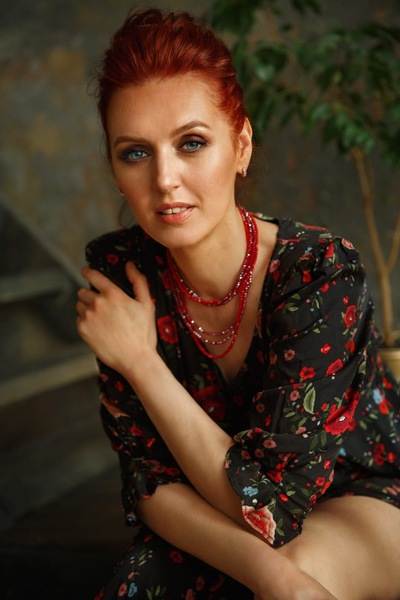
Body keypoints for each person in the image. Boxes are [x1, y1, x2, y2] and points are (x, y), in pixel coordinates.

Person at [76, 8, 400, 600]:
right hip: (217, 511)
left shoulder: (320, 272)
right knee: (140, 582)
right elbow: (148, 483)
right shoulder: (121, 271)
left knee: (283, 571)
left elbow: (273, 508)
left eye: (192, 143)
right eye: (136, 153)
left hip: (359, 494)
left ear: (241, 145)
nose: (165, 178)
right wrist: (276, 579)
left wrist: (143, 363)